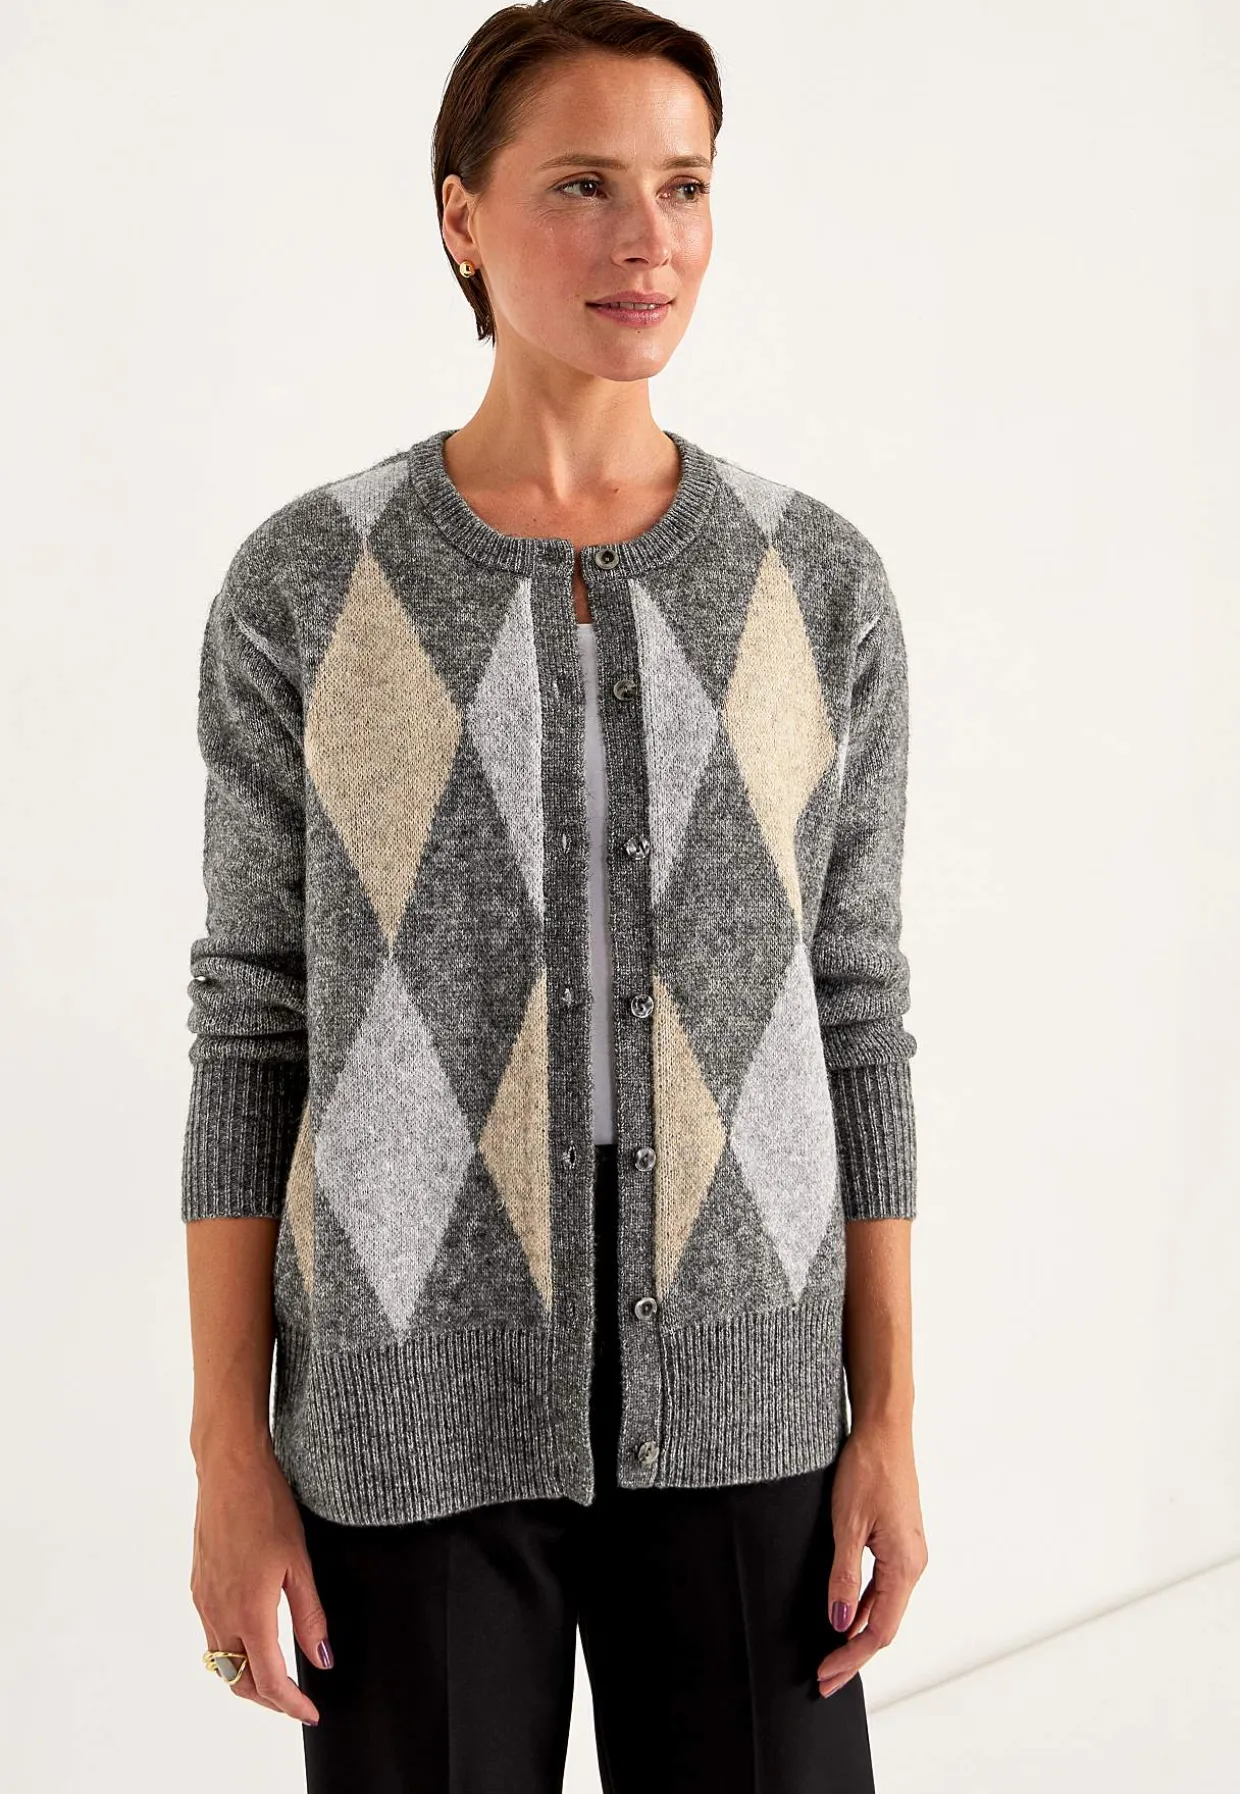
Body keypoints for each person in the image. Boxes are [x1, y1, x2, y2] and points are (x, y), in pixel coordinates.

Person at [182, 3, 928, 1789]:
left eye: (685, 184)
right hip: (404, 1400)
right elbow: (251, 1023)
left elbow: (857, 1015)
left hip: (751, 1399)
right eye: (583, 184)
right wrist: (228, 1447)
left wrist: (888, 1413)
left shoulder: (813, 582)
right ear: (463, 218)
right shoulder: (310, 581)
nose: (645, 237)